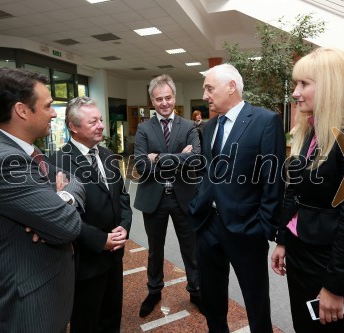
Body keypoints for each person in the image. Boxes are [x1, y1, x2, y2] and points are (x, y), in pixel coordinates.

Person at [270, 48, 344, 333]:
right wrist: (283, 240)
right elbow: (293, 192)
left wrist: (335, 287)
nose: (295, 93)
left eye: (304, 84)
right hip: (300, 253)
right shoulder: (310, 131)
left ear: (331, 86)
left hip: (328, 261)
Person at [0, 68, 85, 333]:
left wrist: (60, 198)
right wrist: (59, 209)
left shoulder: (26, 150)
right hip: (28, 311)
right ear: (22, 110)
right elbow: (68, 225)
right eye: (48, 106)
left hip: (46, 298)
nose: (54, 114)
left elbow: (74, 180)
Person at [189, 63, 286, 332]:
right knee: (212, 299)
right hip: (208, 225)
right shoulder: (208, 128)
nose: (206, 95)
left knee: (256, 302)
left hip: (247, 229)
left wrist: (263, 227)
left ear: (231, 86)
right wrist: (198, 204)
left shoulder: (265, 121)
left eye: (210, 88)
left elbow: (273, 180)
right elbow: (208, 173)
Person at [49, 97, 132, 332]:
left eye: (101, 119)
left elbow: (122, 197)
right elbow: (63, 216)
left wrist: (124, 226)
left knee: (111, 318)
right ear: (73, 127)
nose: (101, 125)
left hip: (114, 256)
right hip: (85, 262)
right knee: (86, 322)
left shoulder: (108, 156)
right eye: (93, 121)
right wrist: (100, 241)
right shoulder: (59, 162)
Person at [134, 74, 201, 317]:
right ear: (152, 101)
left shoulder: (189, 126)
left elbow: (195, 159)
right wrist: (179, 158)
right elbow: (142, 165)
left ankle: (196, 291)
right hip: (154, 198)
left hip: (184, 196)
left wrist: (158, 158)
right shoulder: (143, 128)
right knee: (155, 250)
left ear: (175, 98)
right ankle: (154, 291)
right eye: (159, 98)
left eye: (168, 97)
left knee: (191, 249)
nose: (164, 103)